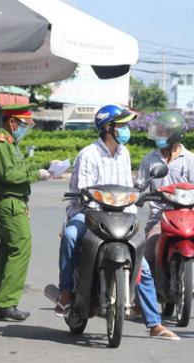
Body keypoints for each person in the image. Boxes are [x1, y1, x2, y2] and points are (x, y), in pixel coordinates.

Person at [56, 104, 179, 341]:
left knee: (140, 263)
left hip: (120, 216)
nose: (126, 130)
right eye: (122, 125)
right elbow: (84, 192)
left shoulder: (124, 153)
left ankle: (154, 324)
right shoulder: (89, 154)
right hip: (89, 214)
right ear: (108, 128)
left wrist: (139, 195)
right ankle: (66, 293)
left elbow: (127, 187)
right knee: (71, 235)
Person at [137, 111, 194, 321]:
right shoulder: (149, 159)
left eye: (163, 131)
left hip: (189, 215)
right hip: (159, 217)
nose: (159, 134)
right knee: (148, 254)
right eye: (158, 130)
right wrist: (141, 194)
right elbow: (140, 185)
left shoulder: (190, 159)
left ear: (175, 135)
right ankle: (139, 302)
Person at [0, 103, 55, 321]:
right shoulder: (0, 142)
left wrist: (45, 166)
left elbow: (19, 170)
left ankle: (2, 304)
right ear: (12, 122)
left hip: (16, 202)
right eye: (23, 124)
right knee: (20, 250)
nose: (25, 128)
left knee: (8, 252)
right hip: (10, 203)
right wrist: (37, 175)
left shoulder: (10, 143)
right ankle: (7, 303)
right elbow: (9, 175)